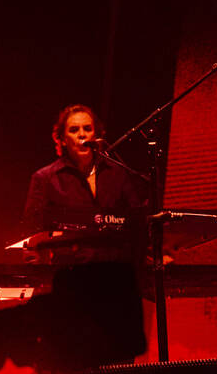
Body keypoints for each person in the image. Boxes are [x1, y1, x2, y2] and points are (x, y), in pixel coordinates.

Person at [19, 104, 148, 263]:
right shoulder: (45, 178)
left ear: (96, 136)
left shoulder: (118, 173)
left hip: (116, 271)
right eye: (74, 130)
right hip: (68, 273)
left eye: (87, 129)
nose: (82, 135)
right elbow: (31, 232)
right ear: (63, 140)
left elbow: (137, 223)